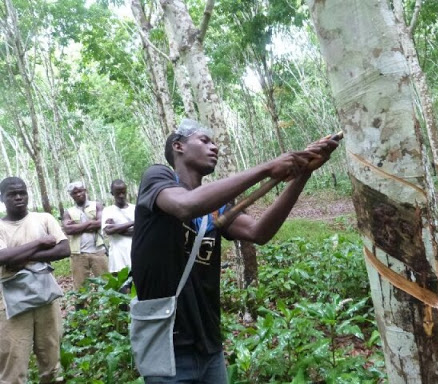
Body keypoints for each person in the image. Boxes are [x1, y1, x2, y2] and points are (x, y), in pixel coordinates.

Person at [130, 118, 339, 383]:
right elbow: (186, 206)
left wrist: (303, 173)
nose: (214, 147)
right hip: (168, 347)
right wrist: (267, 168)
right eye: (204, 140)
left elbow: (258, 232)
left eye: (215, 142)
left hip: (209, 345)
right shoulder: (158, 178)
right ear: (178, 146)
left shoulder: (216, 204)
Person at [0, 177, 70, 384]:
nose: (19, 197)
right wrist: (40, 243)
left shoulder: (44, 218)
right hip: (9, 301)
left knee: (51, 355)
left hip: (45, 295)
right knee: (13, 361)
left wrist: (22, 258)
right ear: (2, 198)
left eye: (22, 192)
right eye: (12, 194)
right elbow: (2, 258)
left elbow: (63, 248)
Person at [62, 181, 108, 290]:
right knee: (80, 288)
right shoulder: (68, 212)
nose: (78, 194)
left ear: (85, 191)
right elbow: (68, 230)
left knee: (106, 284)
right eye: (75, 193)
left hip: (98, 251)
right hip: (78, 254)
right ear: (71, 195)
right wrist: (90, 223)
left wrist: (77, 226)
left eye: (80, 191)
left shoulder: (96, 205)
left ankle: (111, 306)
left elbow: (101, 223)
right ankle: (82, 307)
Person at [101, 179, 135, 276]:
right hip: (118, 256)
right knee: (122, 287)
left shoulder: (135, 209)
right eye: (118, 193)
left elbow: (140, 230)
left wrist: (117, 228)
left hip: (136, 252)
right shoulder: (108, 211)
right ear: (112, 193)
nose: (121, 196)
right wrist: (133, 222)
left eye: (123, 192)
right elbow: (109, 230)